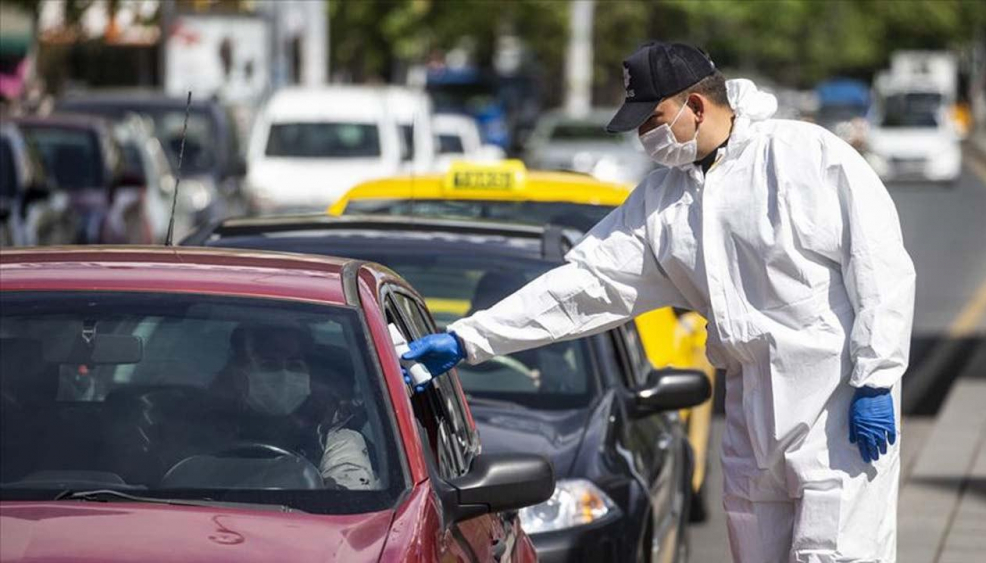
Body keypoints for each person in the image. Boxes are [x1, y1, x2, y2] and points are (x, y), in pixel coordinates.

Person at [403, 41, 914, 562]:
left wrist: (875, 377)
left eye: (653, 119)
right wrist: (469, 338)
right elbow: (583, 287)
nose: (645, 136)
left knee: (837, 555)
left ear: (695, 106)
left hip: (836, 406)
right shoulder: (663, 202)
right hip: (749, 408)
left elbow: (881, 270)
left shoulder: (806, 158)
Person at [212, 323, 379, 490]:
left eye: (294, 366)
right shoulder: (207, 424)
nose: (284, 376)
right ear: (239, 374)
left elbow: (349, 499)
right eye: (269, 366)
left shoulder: (333, 436)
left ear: (308, 375)